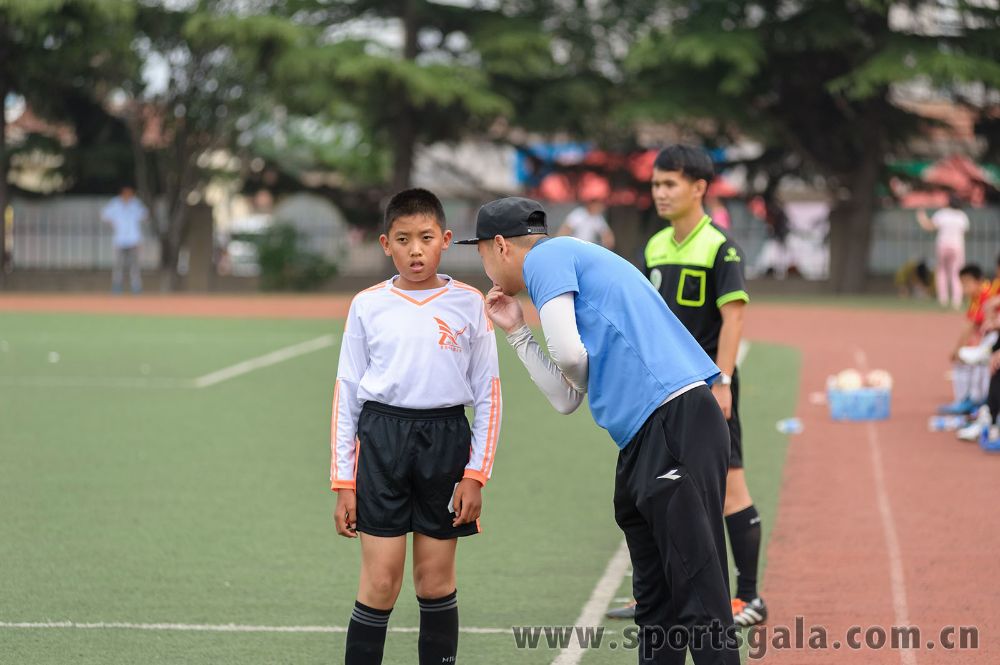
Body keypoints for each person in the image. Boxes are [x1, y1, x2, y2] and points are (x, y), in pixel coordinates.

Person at [457, 197, 740, 664]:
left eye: (482, 250)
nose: (484, 264)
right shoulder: (567, 259)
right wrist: (517, 332)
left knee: (697, 598)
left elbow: (570, 357)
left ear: (501, 245)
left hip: (672, 420)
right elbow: (566, 398)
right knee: (657, 604)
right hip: (646, 435)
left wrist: (588, 372)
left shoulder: (546, 257)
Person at [330, 188, 502, 665]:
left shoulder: (470, 303)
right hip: (382, 441)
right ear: (386, 245)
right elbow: (347, 392)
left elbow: (488, 393)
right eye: (403, 240)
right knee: (380, 581)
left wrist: (475, 474)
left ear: (445, 239)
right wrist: (343, 482)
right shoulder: (367, 304)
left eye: (426, 238)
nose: (415, 250)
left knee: (434, 581)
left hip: (445, 442)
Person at [610, 144, 765, 628]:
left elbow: (733, 317)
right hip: (661, 392)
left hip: (706, 389)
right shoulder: (655, 246)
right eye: (656, 184)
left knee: (729, 487)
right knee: (658, 490)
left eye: (669, 184)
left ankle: (748, 597)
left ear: (698, 188)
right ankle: (655, 593)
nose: (660, 193)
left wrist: (723, 381)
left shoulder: (720, 247)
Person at [938, 264, 996, 419]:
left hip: (994, 338)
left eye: (966, 284)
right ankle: (974, 401)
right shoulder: (982, 293)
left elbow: (970, 326)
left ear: (978, 281)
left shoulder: (984, 294)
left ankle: (971, 402)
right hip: (990, 337)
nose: (964, 289)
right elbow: (974, 325)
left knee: (965, 359)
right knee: (972, 359)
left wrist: (957, 349)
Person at [917, 194, 970, 309]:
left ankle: (943, 299)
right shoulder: (962, 216)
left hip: (943, 245)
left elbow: (928, 226)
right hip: (957, 246)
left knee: (942, 272)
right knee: (956, 273)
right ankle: (956, 300)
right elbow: (965, 232)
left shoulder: (942, 214)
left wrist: (921, 215)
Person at [100, 185, 148, 294]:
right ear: (122, 193)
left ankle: (136, 287)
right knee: (118, 265)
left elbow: (145, 215)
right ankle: (117, 286)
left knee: (134, 266)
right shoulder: (115, 203)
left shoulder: (136, 203)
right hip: (119, 240)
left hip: (134, 239)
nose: (128, 195)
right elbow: (104, 215)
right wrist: (113, 223)